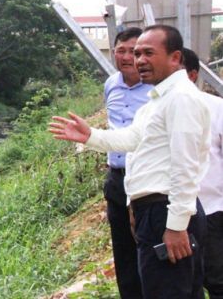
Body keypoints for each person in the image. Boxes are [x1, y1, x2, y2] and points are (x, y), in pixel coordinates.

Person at [49, 24, 210, 299]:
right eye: (136, 54)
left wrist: (176, 225)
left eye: (148, 53)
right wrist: (91, 136)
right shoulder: (158, 100)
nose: (139, 60)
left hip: (166, 213)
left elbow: (186, 165)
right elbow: (134, 139)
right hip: (155, 213)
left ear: (175, 57)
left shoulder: (181, 99)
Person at [104, 27, 153, 299]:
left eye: (131, 52)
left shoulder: (155, 90)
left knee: (147, 248)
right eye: (120, 51)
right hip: (116, 179)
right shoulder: (111, 84)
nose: (126, 57)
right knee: (123, 251)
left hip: (147, 180)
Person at [181, 48, 223, 299]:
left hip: (212, 209)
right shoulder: (154, 110)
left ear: (193, 75)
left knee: (216, 279)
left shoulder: (216, 108)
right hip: (173, 212)